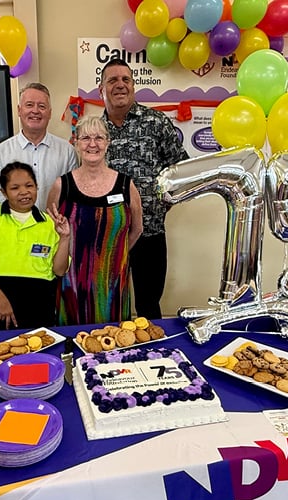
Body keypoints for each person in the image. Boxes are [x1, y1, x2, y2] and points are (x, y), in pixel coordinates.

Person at [99, 58, 189, 320]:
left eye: (126, 79)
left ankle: (152, 356)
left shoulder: (156, 122)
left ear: (133, 86)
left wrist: (164, 202)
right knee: (108, 305)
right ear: (101, 88)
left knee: (149, 305)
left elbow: (180, 170)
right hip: (107, 237)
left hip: (150, 232)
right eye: (113, 80)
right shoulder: (94, 131)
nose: (120, 85)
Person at [47, 115, 143, 326]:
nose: (93, 144)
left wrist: (116, 254)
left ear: (108, 143)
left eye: (99, 138)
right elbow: (50, 233)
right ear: (76, 142)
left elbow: (137, 229)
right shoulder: (61, 186)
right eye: (86, 138)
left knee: (114, 345)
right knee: (74, 343)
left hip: (113, 285)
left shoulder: (126, 185)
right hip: (72, 285)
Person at [0, 161, 70, 331]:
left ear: (37, 187)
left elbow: (59, 270)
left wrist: (64, 237)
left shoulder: (49, 222)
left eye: (29, 185)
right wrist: (0, 299)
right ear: (4, 192)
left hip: (39, 305)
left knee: (38, 354)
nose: (24, 192)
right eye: (15, 188)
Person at [0, 82, 77, 212]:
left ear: (50, 113)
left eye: (42, 106)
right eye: (29, 105)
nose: (35, 111)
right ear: (19, 110)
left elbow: (72, 196)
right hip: (15, 230)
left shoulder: (67, 151)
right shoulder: (1, 152)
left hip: (54, 229)